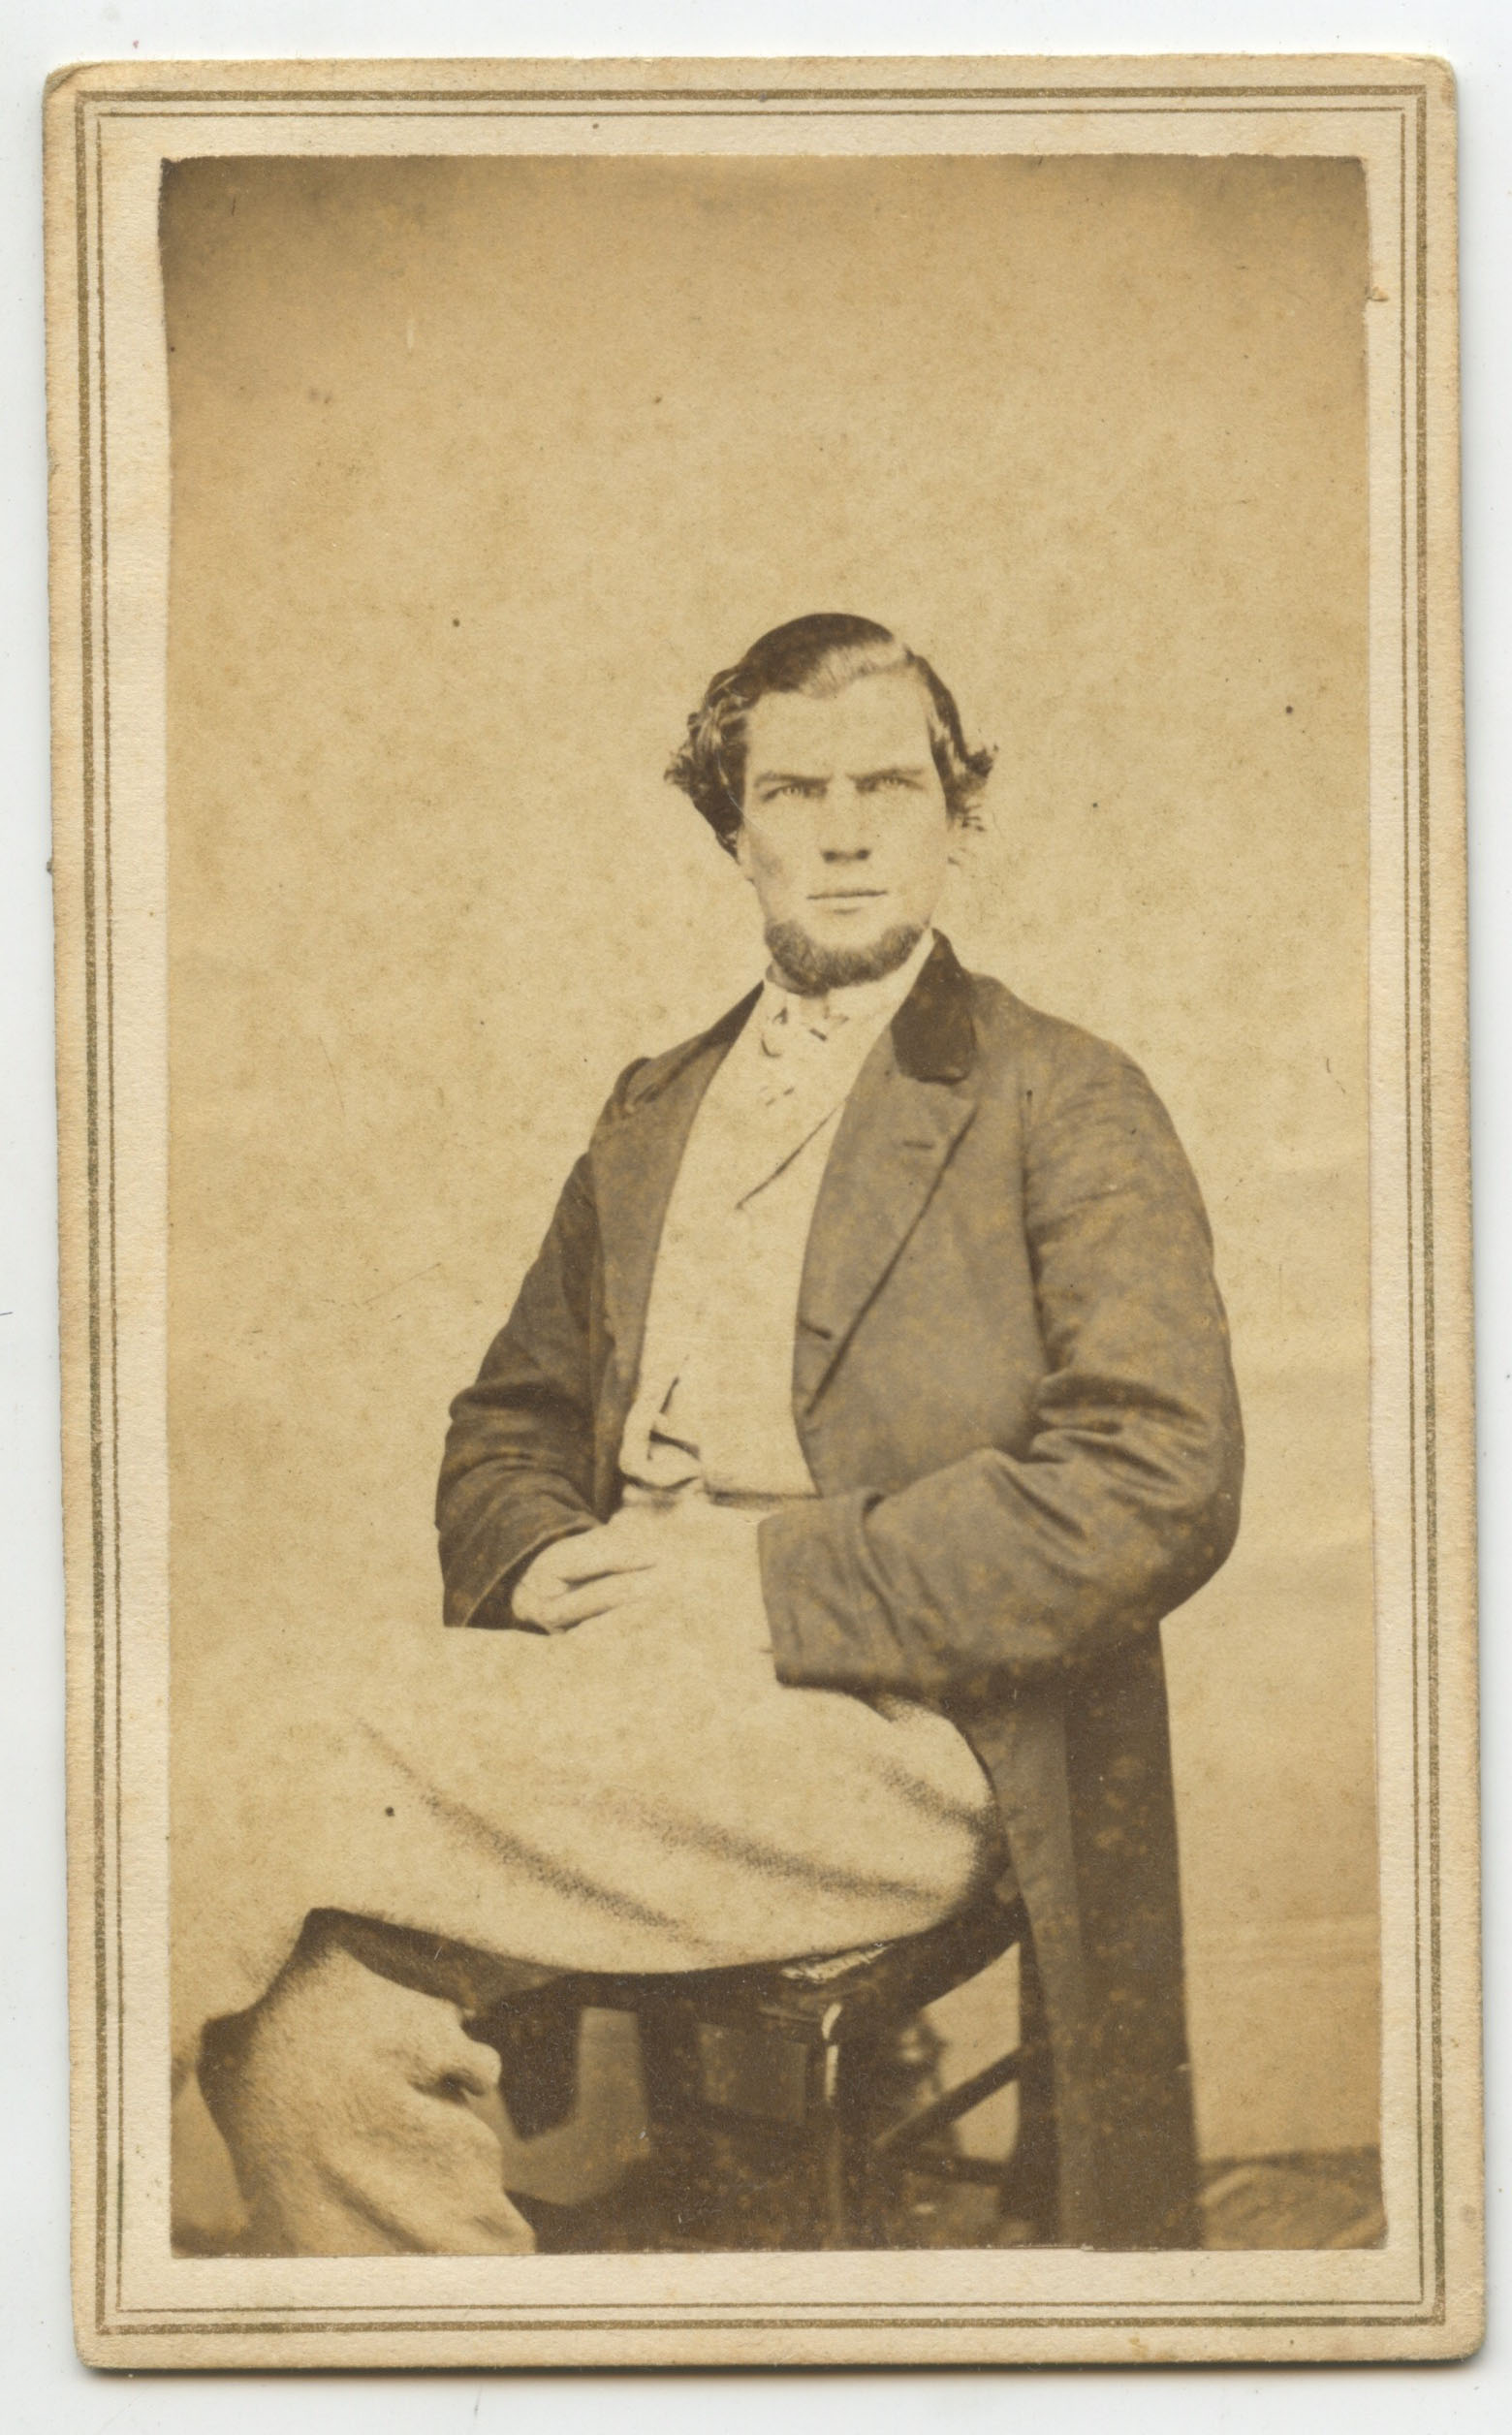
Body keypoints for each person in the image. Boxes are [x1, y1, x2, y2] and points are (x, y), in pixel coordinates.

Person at [197, 614, 1243, 2256]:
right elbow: (509, 1420)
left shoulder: (1064, 1097)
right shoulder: (654, 1108)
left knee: (254, 1722)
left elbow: (1155, 1481)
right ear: (731, 830)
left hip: (902, 1731)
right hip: (620, 1709)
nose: (843, 832)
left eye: (888, 786)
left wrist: (752, 1584)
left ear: (959, 815)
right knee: (317, 2040)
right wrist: (538, 1560)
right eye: (793, 792)